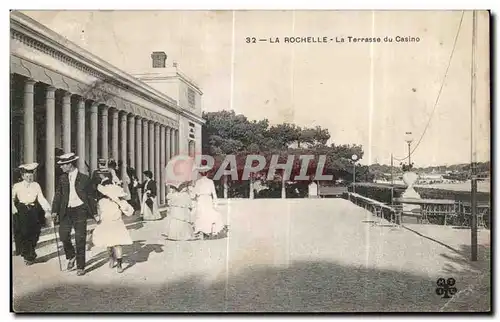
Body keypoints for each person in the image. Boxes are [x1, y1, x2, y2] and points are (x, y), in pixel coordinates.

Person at [51, 153, 98, 276]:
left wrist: (95, 213)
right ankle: (71, 256)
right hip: (66, 211)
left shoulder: (84, 178)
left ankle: (80, 266)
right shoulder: (62, 178)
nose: (61, 168)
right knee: (63, 235)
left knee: (80, 239)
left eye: (62, 165)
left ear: (69, 164)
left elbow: (91, 197)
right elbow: (58, 195)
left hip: (80, 210)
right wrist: (54, 211)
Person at [12, 163, 52, 265]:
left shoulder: (36, 185)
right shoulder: (17, 186)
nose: (30, 178)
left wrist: (47, 210)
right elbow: (11, 199)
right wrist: (14, 210)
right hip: (21, 210)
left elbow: (41, 198)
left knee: (36, 232)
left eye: (31, 176)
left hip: (33, 209)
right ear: (22, 176)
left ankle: (30, 251)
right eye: (27, 176)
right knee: (25, 233)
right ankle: (28, 256)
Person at [92, 177, 134, 273]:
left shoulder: (120, 201)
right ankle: (111, 258)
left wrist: (118, 201)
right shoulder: (101, 201)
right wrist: (98, 219)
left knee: (117, 244)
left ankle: (119, 263)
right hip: (106, 224)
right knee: (109, 245)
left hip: (116, 224)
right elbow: (99, 213)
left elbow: (129, 211)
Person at [193, 166, 228, 240]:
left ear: (200, 174)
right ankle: (208, 231)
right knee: (208, 214)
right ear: (207, 173)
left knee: (201, 215)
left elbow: (194, 194)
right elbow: (214, 193)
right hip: (208, 199)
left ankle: (202, 231)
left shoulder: (198, 182)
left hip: (201, 199)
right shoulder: (210, 182)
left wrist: (195, 198)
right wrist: (215, 203)